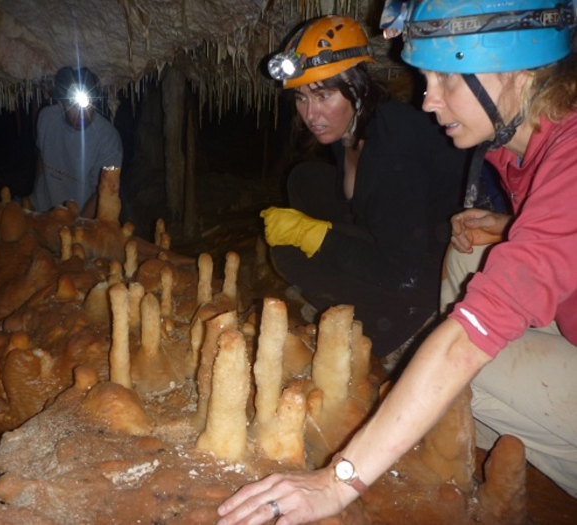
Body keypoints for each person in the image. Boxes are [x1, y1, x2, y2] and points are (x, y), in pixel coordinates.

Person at [218, 1, 577, 523]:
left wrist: (338, 481)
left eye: (446, 80)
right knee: (469, 255)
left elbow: (465, 333)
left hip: (414, 291)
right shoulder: (514, 151)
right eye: (426, 78)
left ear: (515, 73)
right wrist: (507, 226)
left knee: (455, 362)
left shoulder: (563, 157)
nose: (428, 100)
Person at [259, 15, 470, 359]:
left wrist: (317, 236)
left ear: (358, 88)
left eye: (324, 95)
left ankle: (388, 323)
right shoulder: (351, 127)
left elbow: (404, 271)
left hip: (429, 275)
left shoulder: (391, 148)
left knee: (290, 253)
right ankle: (359, 292)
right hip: (398, 228)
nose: (311, 114)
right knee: (304, 179)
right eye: (301, 98)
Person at [30, 66, 123, 218]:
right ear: (61, 104)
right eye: (72, 105)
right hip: (42, 212)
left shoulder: (108, 140)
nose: (80, 113)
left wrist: (77, 228)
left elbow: (102, 192)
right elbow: (42, 156)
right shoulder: (45, 119)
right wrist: (34, 199)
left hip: (78, 216)